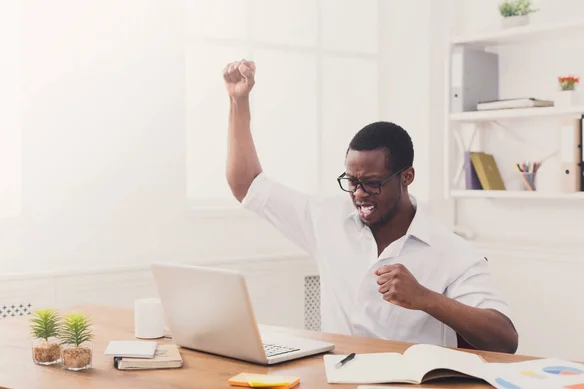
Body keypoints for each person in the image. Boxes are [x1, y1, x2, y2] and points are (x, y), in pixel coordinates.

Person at [222, 59, 518, 353]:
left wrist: (425, 298)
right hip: (334, 378)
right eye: (352, 181)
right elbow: (246, 184)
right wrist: (239, 101)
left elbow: (505, 339)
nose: (359, 193)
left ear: (407, 177)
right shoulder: (326, 216)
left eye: (372, 183)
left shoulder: (451, 250)